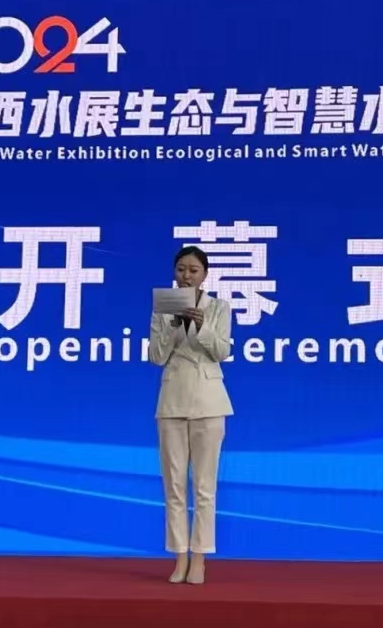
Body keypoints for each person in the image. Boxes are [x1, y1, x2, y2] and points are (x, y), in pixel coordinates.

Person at [148, 245, 233, 585]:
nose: (186, 275)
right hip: (172, 401)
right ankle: (179, 556)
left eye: (193, 270)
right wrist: (173, 327)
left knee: (204, 486)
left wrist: (201, 326)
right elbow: (156, 356)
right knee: (174, 485)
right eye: (181, 269)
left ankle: (200, 558)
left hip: (210, 403)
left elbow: (222, 351)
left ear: (204, 274)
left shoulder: (218, 307)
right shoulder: (164, 307)